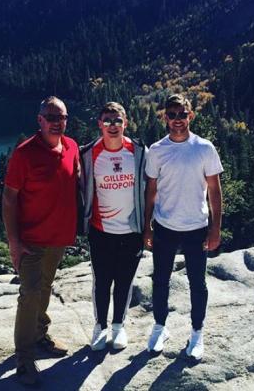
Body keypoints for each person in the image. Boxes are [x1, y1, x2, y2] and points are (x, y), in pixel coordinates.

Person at [2, 96, 79, 386]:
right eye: (52, 116)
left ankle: (39, 334)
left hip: (57, 238)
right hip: (31, 239)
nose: (58, 122)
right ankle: (24, 358)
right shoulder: (25, 153)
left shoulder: (70, 146)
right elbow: (9, 199)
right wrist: (14, 242)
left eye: (62, 117)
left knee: (45, 287)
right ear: (40, 120)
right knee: (30, 292)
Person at [143, 94, 223, 360]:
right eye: (172, 114)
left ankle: (197, 333)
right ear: (165, 118)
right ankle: (159, 327)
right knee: (160, 280)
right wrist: (147, 226)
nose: (177, 119)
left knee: (197, 283)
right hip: (165, 225)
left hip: (196, 227)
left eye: (182, 114)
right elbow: (151, 191)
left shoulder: (204, 148)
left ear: (191, 115)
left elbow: (214, 190)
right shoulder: (157, 150)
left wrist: (215, 229)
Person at [80, 102, 147, 351]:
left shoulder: (139, 152)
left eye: (117, 120)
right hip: (101, 231)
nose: (112, 125)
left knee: (124, 281)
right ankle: (100, 326)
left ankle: (119, 325)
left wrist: (148, 227)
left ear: (126, 123)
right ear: (99, 124)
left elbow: (150, 189)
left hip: (131, 231)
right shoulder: (88, 153)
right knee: (102, 282)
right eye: (107, 121)